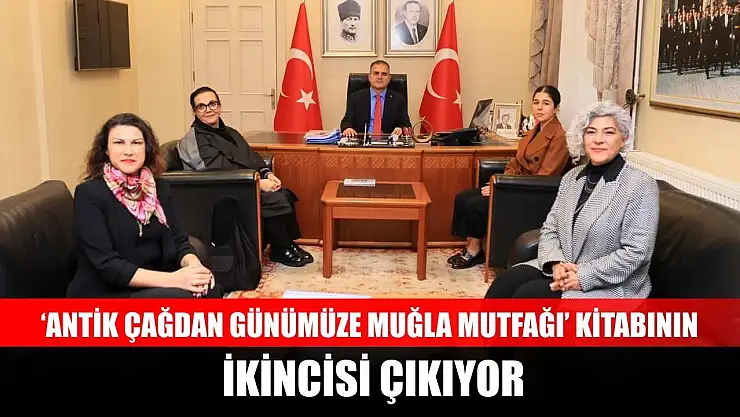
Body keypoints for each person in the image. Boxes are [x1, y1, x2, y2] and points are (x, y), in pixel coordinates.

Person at [485, 101, 659, 299]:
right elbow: (550, 228)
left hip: (610, 283)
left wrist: (582, 275)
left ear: (623, 138)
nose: (598, 140)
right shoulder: (572, 178)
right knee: (505, 282)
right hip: (563, 266)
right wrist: (555, 262)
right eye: (591, 132)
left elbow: (636, 253)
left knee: (527, 296)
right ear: (582, 137)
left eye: (609, 132)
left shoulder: (640, 185)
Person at [67, 113, 224, 298]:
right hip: (107, 290)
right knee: (182, 297)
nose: (128, 151)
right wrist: (175, 280)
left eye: (136, 143)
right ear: (106, 150)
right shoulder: (89, 193)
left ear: (147, 148)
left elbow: (180, 242)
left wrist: (194, 267)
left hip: (151, 282)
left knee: (210, 290)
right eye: (119, 143)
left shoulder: (159, 187)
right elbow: (107, 264)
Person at [177, 86, 312, 268]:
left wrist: (267, 173)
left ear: (219, 106)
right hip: (220, 193)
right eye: (201, 106)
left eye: (212, 104)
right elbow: (217, 171)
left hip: (244, 183)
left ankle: (287, 244)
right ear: (194, 111)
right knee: (274, 200)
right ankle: (280, 249)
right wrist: (258, 183)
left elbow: (251, 156)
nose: (208, 110)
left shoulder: (230, 132)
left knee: (284, 193)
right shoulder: (195, 139)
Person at [449, 85, 569, 269]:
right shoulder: (533, 130)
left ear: (556, 108)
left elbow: (546, 175)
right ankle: (472, 247)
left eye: (546, 103)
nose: (539, 107)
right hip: (514, 185)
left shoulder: (559, 136)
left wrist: (505, 188)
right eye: (536, 102)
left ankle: (473, 252)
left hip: (530, 192)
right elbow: (515, 162)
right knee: (463, 197)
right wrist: (500, 185)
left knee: (475, 204)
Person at [340, 60, 412, 137]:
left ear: (389, 78)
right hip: (362, 141)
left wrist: (401, 129)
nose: (380, 77)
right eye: (376, 73)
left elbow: (406, 125)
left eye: (384, 74)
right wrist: (347, 128)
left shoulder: (399, 99)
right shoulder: (355, 97)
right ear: (369, 77)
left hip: (388, 142)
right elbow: (346, 122)